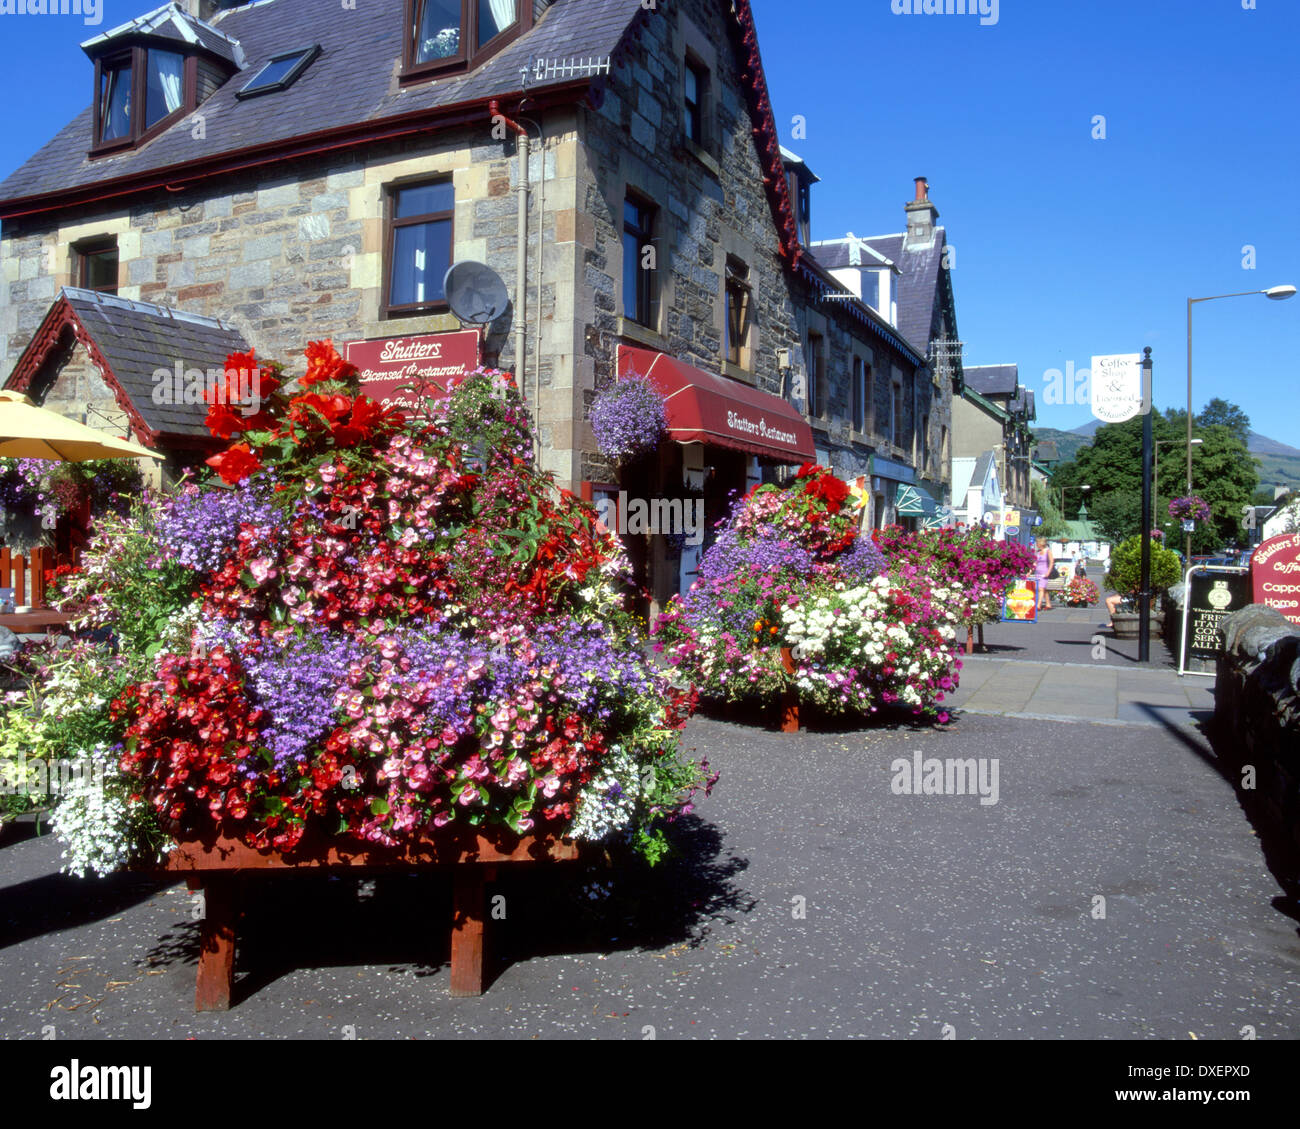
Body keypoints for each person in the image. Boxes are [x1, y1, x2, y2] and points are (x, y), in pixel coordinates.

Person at [1033, 536, 1055, 610]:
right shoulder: (1038, 552)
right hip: (1037, 573)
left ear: (1041, 543)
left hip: (1044, 573)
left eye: (1037, 543)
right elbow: (1035, 563)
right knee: (1043, 589)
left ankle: (1038, 605)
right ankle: (1048, 604)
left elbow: (1052, 562)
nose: (1036, 544)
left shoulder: (1048, 551)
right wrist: (1029, 572)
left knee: (1041, 589)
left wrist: (1048, 572)